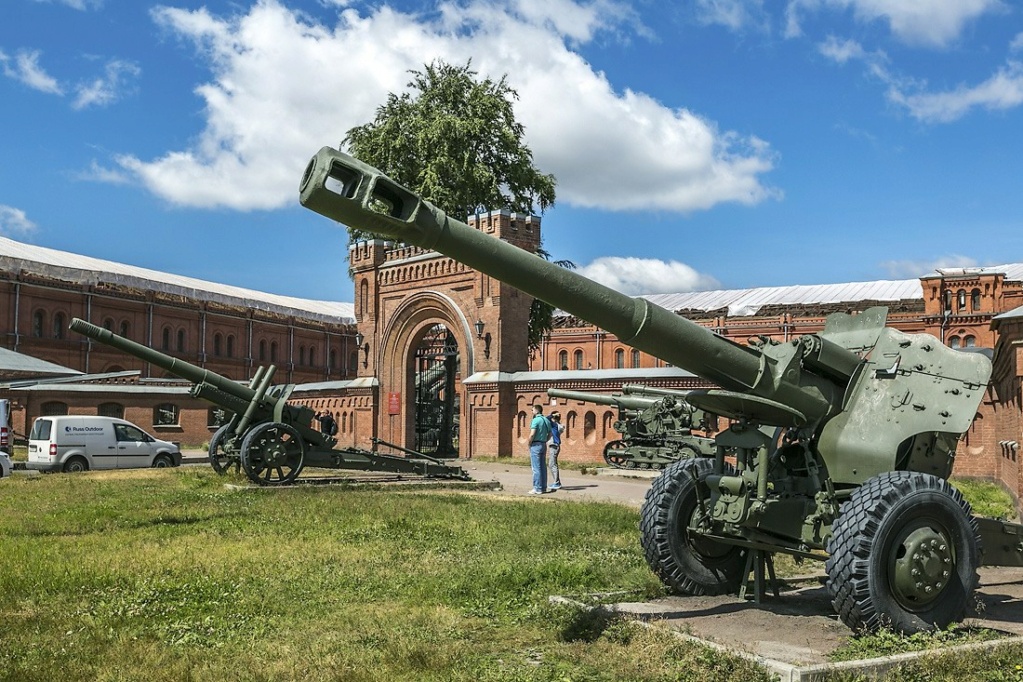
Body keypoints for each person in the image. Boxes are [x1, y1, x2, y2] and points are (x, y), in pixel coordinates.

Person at [527, 404, 551, 494]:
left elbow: (532, 434)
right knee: (543, 467)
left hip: (535, 444)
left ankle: (537, 488)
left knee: (536, 467)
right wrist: (545, 440)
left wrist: (529, 443)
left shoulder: (535, 420)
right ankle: (543, 487)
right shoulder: (546, 420)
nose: (532, 411)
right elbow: (550, 434)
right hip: (543, 444)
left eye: (532, 410)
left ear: (536, 411)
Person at [547, 411, 564, 490]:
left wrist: (552, 415)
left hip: (554, 446)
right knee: (552, 464)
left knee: (552, 465)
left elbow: (547, 419)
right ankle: (556, 482)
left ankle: (557, 483)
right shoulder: (559, 426)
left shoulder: (554, 425)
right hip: (555, 446)